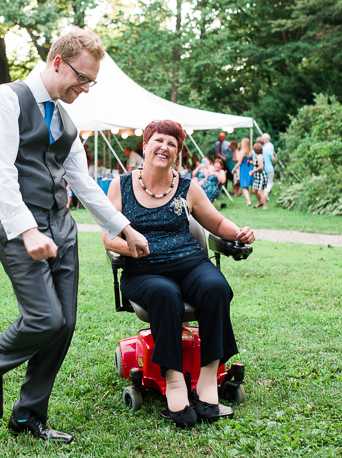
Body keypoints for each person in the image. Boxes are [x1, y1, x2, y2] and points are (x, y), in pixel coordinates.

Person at [0, 26, 149, 443]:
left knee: (65, 324)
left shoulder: (67, 122)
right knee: (44, 318)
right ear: (58, 62)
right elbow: (0, 174)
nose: (86, 88)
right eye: (83, 78)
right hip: (20, 225)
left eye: (92, 81)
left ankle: (28, 415)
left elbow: (83, 184)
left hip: (62, 227)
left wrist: (124, 227)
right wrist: (28, 231)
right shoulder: (5, 99)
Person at [103, 119, 255, 428]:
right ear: (145, 146)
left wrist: (238, 233)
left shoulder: (187, 186)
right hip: (144, 271)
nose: (165, 147)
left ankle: (208, 384)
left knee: (216, 287)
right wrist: (132, 247)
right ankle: (175, 384)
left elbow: (216, 222)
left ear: (178, 153)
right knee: (164, 294)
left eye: (172, 144)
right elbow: (109, 237)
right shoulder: (120, 184)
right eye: (159, 140)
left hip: (190, 265)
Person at [232, 140, 254, 206]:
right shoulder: (251, 151)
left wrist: (234, 169)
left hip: (243, 168)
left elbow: (239, 162)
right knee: (247, 186)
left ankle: (248, 200)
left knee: (244, 186)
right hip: (249, 168)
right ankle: (248, 201)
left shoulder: (242, 152)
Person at [250, 142, 268, 209]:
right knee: (254, 190)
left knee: (260, 192)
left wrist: (253, 171)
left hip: (261, 176)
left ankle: (265, 206)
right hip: (257, 176)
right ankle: (259, 202)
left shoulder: (259, 156)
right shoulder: (257, 156)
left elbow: (261, 166)